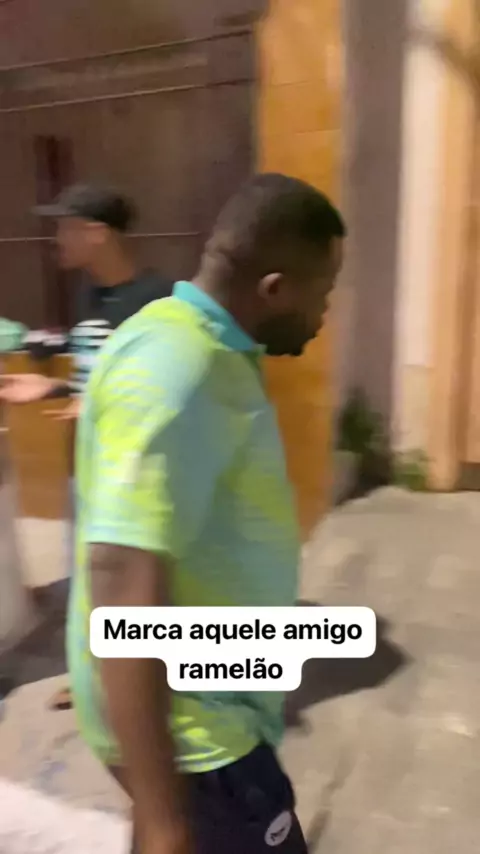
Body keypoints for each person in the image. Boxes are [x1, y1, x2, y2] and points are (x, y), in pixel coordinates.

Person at [69, 173, 345, 853]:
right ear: (274, 289)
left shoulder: (199, 345)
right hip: (200, 740)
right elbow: (119, 574)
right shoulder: (179, 366)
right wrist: (165, 817)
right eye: (324, 291)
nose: (325, 312)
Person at [0, 184, 173, 709]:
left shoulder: (158, 301)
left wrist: (100, 405)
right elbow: (92, 379)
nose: (56, 238)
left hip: (132, 471)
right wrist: (52, 387)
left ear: (97, 234)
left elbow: (169, 389)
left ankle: (144, 683)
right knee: (92, 576)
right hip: (85, 464)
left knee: (133, 578)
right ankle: (97, 675)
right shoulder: (89, 295)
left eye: (65, 227)